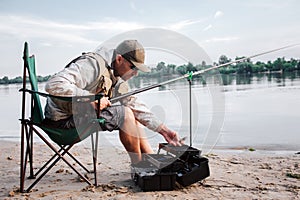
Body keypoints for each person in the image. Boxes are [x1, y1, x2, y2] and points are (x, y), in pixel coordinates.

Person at [43, 40, 182, 164]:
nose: (135, 73)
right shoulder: (92, 64)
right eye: (133, 67)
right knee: (124, 113)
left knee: (132, 111)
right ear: (119, 59)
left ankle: (149, 157)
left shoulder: (118, 76)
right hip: (61, 122)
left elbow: (136, 106)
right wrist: (89, 98)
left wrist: (164, 131)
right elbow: (54, 84)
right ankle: (139, 166)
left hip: (77, 116)